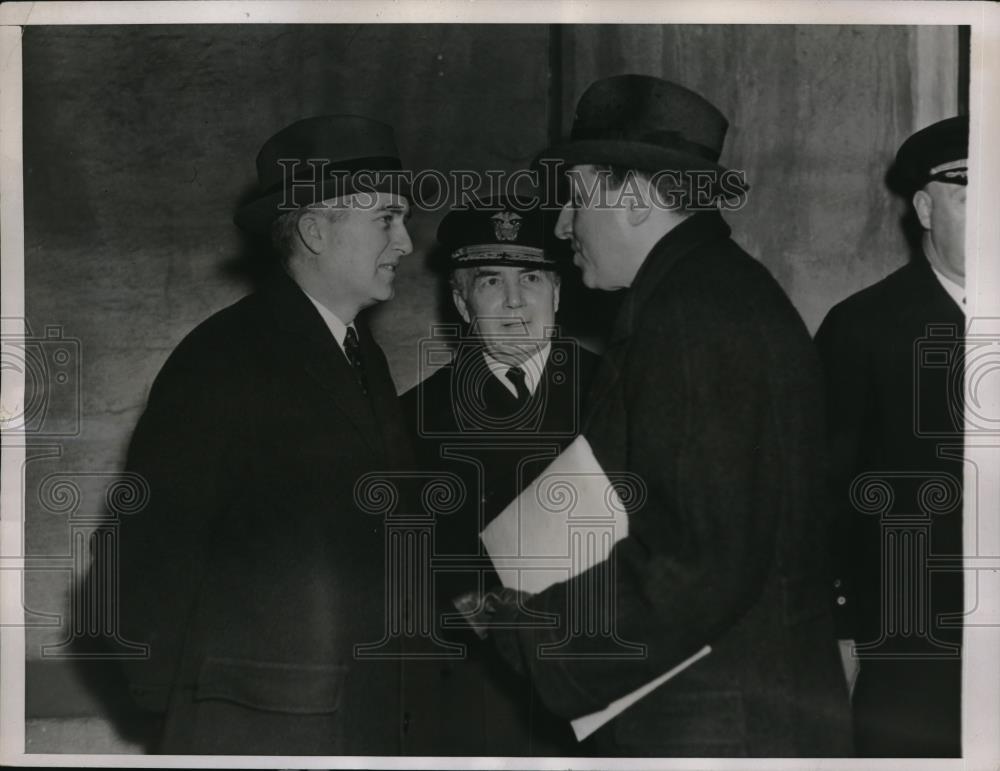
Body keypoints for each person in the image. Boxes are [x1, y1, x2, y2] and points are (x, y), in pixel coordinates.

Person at [481, 74, 853, 757]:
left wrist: (532, 629)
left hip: (716, 718)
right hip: (744, 703)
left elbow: (695, 559)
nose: (563, 226)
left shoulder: (689, 314)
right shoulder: (715, 289)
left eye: (576, 198)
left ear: (634, 196)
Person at [112, 115, 418, 754]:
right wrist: (180, 704)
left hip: (358, 714)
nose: (407, 244)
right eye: (387, 220)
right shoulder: (223, 355)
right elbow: (148, 542)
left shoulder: (365, 358)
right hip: (256, 720)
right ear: (314, 229)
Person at [401, 198, 599, 755]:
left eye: (532, 277)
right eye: (491, 281)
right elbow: (412, 558)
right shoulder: (415, 417)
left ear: (558, 293)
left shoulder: (619, 391)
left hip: (606, 669)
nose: (515, 301)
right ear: (462, 303)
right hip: (477, 684)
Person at [814, 116, 968, 757]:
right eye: (971, 196)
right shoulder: (864, 329)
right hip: (911, 643)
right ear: (927, 209)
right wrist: (842, 629)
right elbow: (824, 497)